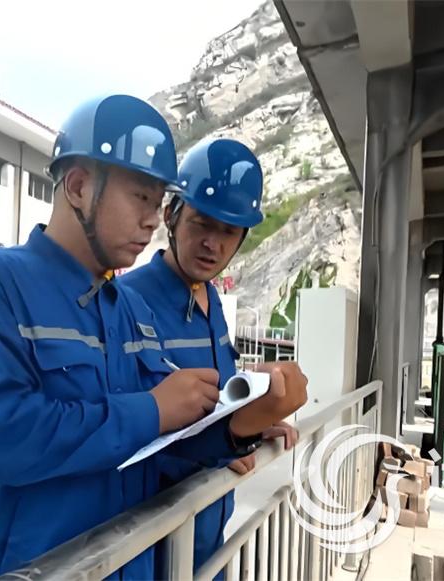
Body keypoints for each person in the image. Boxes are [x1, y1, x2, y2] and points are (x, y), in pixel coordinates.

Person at [0, 95, 307, 580]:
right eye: (141, 197)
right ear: (78, 186)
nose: (152, 219)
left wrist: (241, 426)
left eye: (157, 201)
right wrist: (151, 409)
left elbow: (164, 440)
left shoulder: (130, 311)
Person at [121, 138, 301, 575]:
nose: (212, 245)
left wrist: (250, 422)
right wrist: (222, 445)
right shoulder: (126, 302)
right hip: (153, 546)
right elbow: (124, 437)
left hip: (208, 537)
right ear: (171, 215)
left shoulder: (212, 301)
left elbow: (216, 404)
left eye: (228, 232)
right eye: (201, 224)